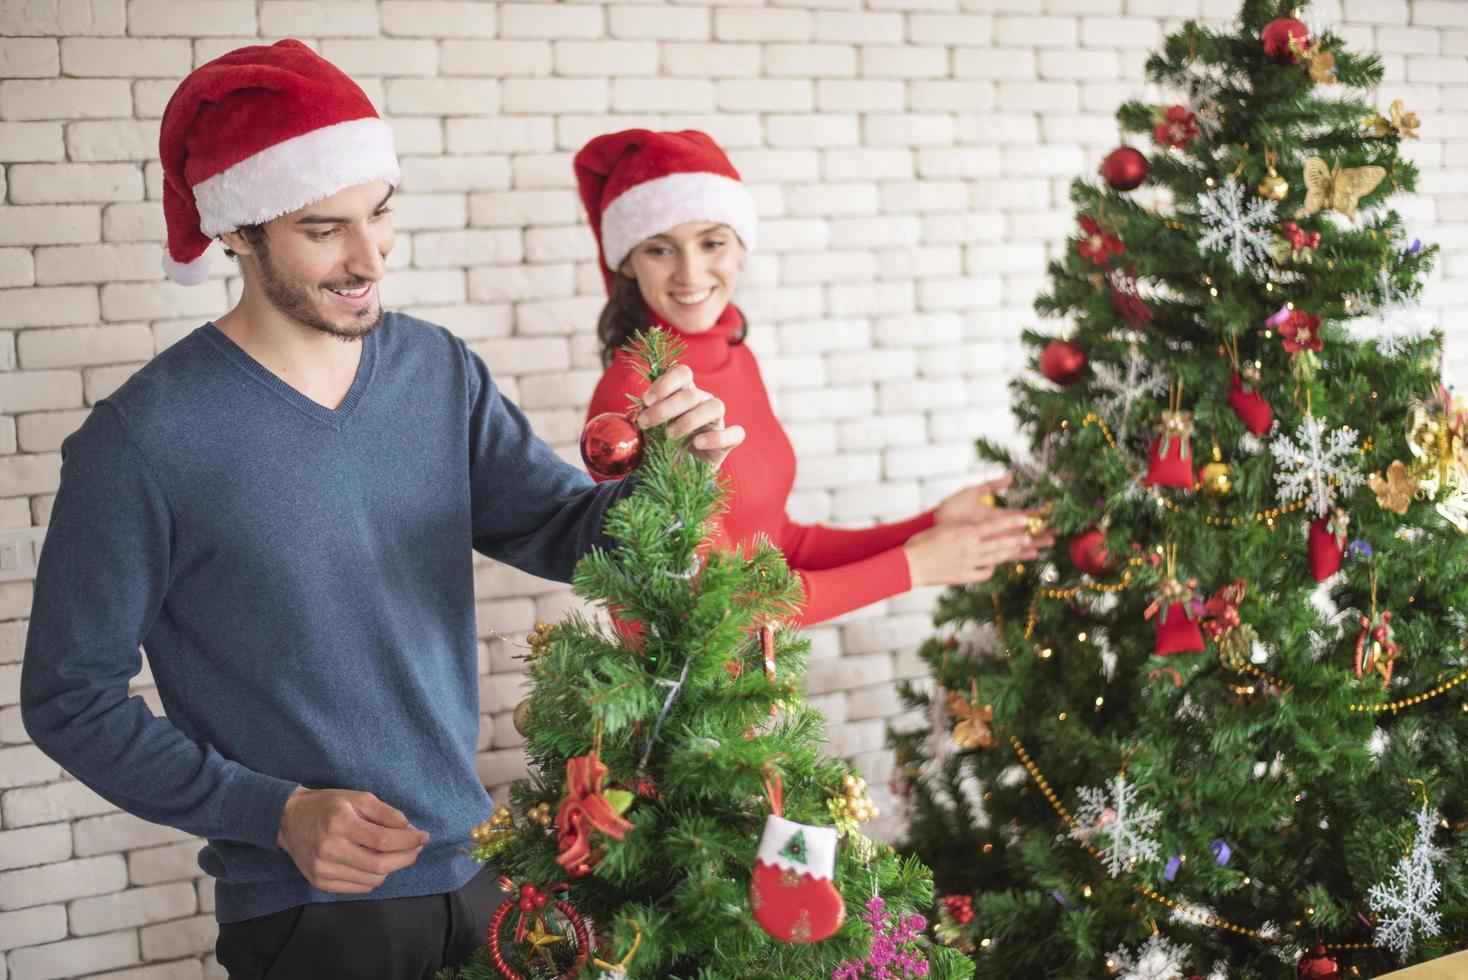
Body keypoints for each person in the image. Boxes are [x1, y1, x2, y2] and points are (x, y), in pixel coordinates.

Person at [19, 43, 741, 979]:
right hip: (313, 916)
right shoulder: (142, 441)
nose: (370, 256)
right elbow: (67, 699)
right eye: (325, 228)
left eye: (381, 212)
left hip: (483, 881)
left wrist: (668, 485)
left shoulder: (437, 370)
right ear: (238, 231)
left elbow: (564, 532)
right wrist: (269, 811)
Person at [576, 130, 1052, 626]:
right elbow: (717, 608)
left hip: (757, 691)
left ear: (741, 245)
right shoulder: (637, 399)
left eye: (711, 242)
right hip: (681, 700)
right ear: (627, 262)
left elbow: (777, 545)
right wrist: (913, 566)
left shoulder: (736, 359)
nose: (691, 274)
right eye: (659, 249)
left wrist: (933, 525)